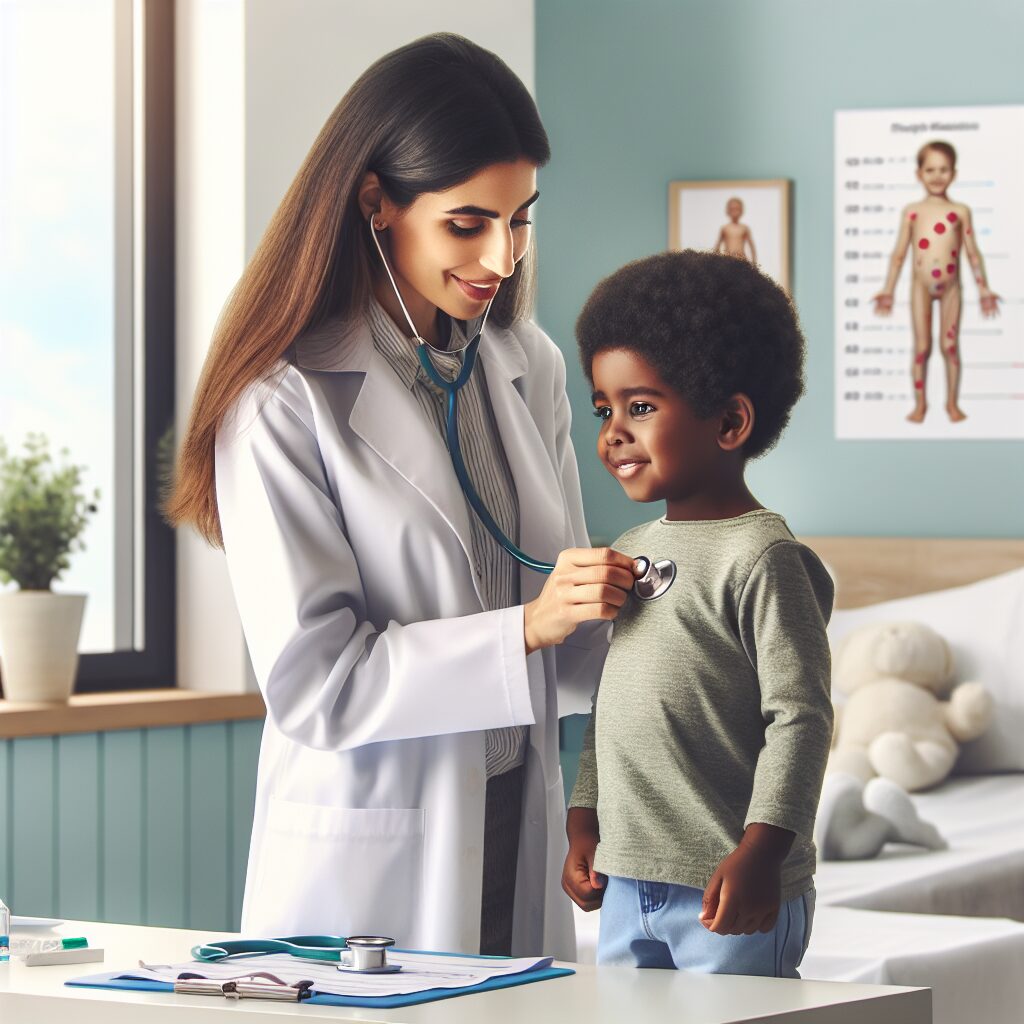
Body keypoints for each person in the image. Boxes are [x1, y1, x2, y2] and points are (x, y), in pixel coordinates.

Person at [164, 33, 637, 960]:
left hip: (517, 818)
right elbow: (317, 685)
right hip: (375, 858)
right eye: (468, 224)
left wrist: (652, 608)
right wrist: (525, 630)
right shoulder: (282, 398)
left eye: (521, 219)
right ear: (377, 203)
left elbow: (568, 645)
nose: (502, 255)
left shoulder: (524, 365)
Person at [562, 250, 834, 977]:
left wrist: (761, 852)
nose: (613, 432)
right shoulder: (628, 549)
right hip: (627, 881)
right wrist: (583, 819)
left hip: (726, 888)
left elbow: (800, 718)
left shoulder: (763, 557)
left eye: (640, 407)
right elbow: (611, 704)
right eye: (604, 409)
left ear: (730, 421)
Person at [873, 140, 1001, 424]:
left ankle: (952, 405)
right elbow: (899, 254)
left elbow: (972, 253)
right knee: (922, 348)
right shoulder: (912, 211)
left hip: (952, 288)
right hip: (920, 287)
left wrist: (983, 289)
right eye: (930, 169)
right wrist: (888, 289)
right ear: (919, 173)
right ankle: (920, 406)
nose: (937, 175)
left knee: (950, 346)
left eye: (944, 169)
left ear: (953, 173)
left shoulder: (960, 211)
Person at [714, 197, 757, 264]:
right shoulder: (725, 228)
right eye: (732, 209)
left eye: (737, 209)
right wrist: (715, 261)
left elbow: (752, 247)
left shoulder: (744, 228)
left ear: (741, 210)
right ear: (728, 210)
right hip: (727, 260)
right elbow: (717, 247)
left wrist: (754, 263)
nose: (734, 212)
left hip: (742, 260)